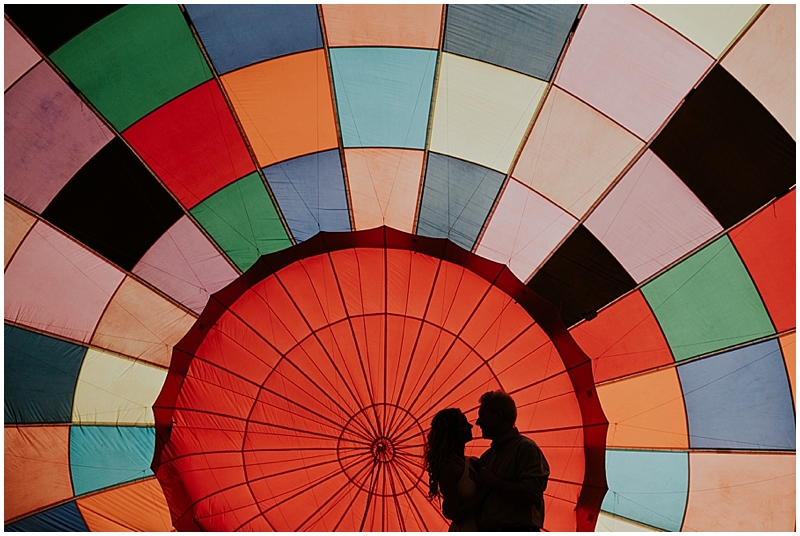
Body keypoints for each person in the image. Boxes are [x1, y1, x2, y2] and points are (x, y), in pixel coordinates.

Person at [474, 390, 549, 531]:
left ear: (497, 415)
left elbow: (532, 494)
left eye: (482, 415)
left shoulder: (526, 449)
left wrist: (494, 481)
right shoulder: (487, 457)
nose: (478, 422)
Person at [425, 408, 487, 531]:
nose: (470, 426)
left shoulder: (472, 462)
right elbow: (456, 515)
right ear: (452, 433)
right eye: (463, 424)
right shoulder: (449, 468)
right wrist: (484, 492)